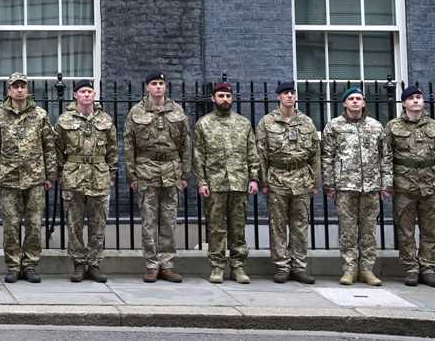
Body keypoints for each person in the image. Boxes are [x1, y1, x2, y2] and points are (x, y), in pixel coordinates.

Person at [0, 72, 55, 283]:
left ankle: (30, 265)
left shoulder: (40, 115)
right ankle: (13, 266)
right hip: (8, 179)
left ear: (28, 89)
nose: (19, 90)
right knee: (11, 226)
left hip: (35, 178)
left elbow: (49, 146)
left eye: (23, 86)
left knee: (34, 224)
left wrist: (50, 174)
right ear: (8, 91)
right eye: (15, 86)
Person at [123, 70, 190, 283]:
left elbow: (186, 144)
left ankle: (167, 264)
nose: (158, 87)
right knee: (149, 221)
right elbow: (128, 144)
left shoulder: (177, 110)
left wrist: (184, 173)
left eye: (161, 83)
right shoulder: (136, 111)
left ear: (166, 86)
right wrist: (131, 174)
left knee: (169, 221)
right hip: (146, 171)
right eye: (154, 83)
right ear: (147, 87)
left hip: (171, 171)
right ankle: (152, 265)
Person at [322, 85, 392, 287]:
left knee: (369, 230)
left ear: (363, 103)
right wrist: (329, 184)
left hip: (371, 186)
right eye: (351, 98)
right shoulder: (334, 126)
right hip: (345, 186)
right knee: (347, 230)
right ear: (344, 103)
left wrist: (385, 184)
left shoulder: (376, 126)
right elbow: (327, 157)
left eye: (358, 98)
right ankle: (349, 269)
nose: (354, 101)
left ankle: (367, 269)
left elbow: (385, 157)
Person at [193, 82, 259, 284]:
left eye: (228, 96)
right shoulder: (203, 124)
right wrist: (202, 181)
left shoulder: (243, 123)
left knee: (238, 227)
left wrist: (254, 177)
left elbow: (251, 152)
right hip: (215, 183)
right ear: (213, 98)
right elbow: (198, 155)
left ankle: (238, 266)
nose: (225, 99)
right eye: (220, 96)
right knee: (216, 227)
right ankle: (217, 266)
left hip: (239, 182)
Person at [256, 80, 319, 284]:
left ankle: (299, 266)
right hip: (277, 178)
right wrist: (263, 182)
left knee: (300, 225)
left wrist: (315, 181)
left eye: (292, 92)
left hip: (301, 177)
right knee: (278, 225)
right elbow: (261, 154)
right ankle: (282, 266)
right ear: (279, 97)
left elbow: (315, 154)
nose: (289, 96)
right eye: (285, 93)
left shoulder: (307, 122)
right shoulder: (267, 122)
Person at [55, 80, 117, 283]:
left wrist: (112, 174)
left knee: (98, 223)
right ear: (75, 95)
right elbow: (57, 149)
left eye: (90, 91)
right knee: (74, 223)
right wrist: (61, 174)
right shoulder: (64, 120)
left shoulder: (106, 120)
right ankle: (79, 264)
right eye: (82, 91)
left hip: (99, 175)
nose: (87, 95)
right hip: (74, 176)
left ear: (94, 94)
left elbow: (113, 150)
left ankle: (94, 263)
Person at [388, 83, 435, 287]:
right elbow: (385, 157)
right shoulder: (393, 126)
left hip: (430, 183)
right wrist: (387, 183)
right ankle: (411, 268)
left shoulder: (433, 125)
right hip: (404, 184)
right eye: (411, 98)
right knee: (406, 230)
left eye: (419, 97)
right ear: (404, 102)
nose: (416, 100)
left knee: (430, 229)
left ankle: (428, 266)